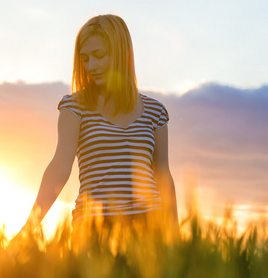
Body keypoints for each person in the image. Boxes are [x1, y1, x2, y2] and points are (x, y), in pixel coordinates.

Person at [17, 14, 180, 244]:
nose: (91, 66)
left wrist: (176, 237)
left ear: (122, 54)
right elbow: (59, 168)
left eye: (99, 56)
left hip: (150, 229)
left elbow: (163, 175)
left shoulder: (155, 112)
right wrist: (28, 229)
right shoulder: (74, 107)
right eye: (85, 58)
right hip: (93, 227)